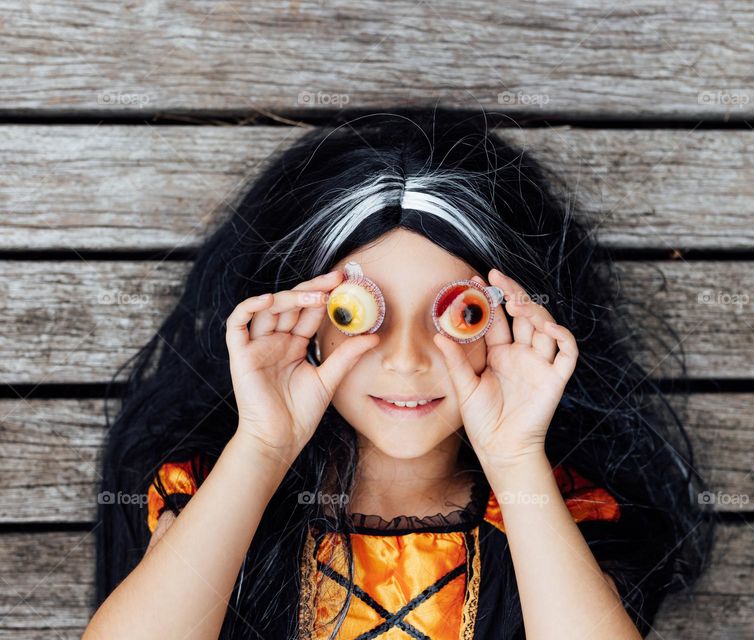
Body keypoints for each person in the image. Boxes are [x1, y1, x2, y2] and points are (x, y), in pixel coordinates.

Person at [83, 108, 713, 639]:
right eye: (355, 313)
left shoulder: (556, 512)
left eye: (461, 314)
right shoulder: (221, 496)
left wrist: (516, 455)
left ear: (516, 322)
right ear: (303, 319)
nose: (407, 358)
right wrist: (263, 446)